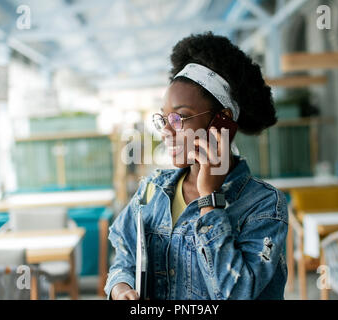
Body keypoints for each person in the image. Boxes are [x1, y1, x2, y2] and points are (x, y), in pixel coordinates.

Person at [105, 32, 288, 300]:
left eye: (180, 117)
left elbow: (238, 293)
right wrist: (120, 288)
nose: (166, 130)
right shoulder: (152, 190)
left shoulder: (264, 204)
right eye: (164, 118)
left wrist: (209, 200)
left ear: (222, 121)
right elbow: (124, 253)